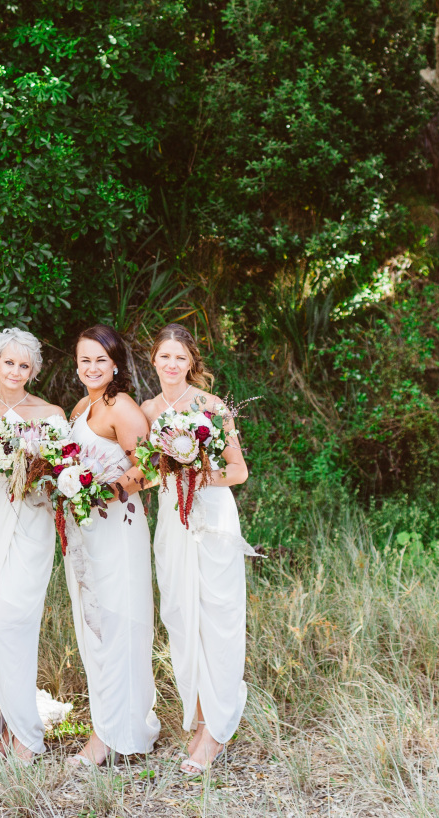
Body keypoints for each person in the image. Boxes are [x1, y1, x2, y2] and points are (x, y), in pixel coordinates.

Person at [141, 324, 252, 774]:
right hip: (172, 519)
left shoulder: (212, 406)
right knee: (182, 617)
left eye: (180, 357)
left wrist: (196, 473)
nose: (172, 364)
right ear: (154, 359)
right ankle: (203, 720)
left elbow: (238, 471)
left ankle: (217, 732)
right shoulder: (147, 410)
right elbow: (146, 471)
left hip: (211, 518)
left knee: (217, 618)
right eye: (165, 356)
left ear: (191, 363)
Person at [0, 327, 68, 763]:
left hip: (32, 518)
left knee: (13, 621)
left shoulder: (50, 414)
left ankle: (25, 731)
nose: (15, 371)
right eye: (9, 362)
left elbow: (63, 471)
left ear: (34, 371)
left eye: (24, 365)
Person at [63, 324, 158, 765]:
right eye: (85, 359)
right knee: (94, 623)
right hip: (86, 529)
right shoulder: (82, 406)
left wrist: (106, 492)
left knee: (119, 621)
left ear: (115, 363)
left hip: (117, 524)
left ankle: (115, 734)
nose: (92, 367)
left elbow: (150, 466)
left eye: (100, 359)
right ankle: (106, 724)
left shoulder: (122, 406)